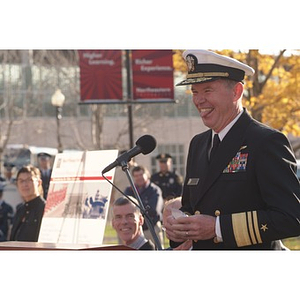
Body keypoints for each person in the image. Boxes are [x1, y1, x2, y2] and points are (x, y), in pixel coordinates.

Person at [163, 49, 300, 250]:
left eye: (207, 90)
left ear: (236, 92)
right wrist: (178, 228)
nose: (199, 100)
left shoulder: (266, 141)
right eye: (195, 91)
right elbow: (193, 208)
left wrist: (218, 228)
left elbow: (291, 217)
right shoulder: (198, 144)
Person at [124, 165, 164, 248]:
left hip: (152, 229)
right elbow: (125, 208)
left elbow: (153, 210)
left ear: (147, 175)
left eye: (141, 175)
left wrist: (134, 208)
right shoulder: (129, 190)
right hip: (135, 231)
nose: (139, 178)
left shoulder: (154, 190)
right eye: (136, 176)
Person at [10, 165, 46, 242]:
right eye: (21, 181)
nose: (24, 185)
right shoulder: (20, 209)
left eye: (29, 180)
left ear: (39, 183)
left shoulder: (45, 209)